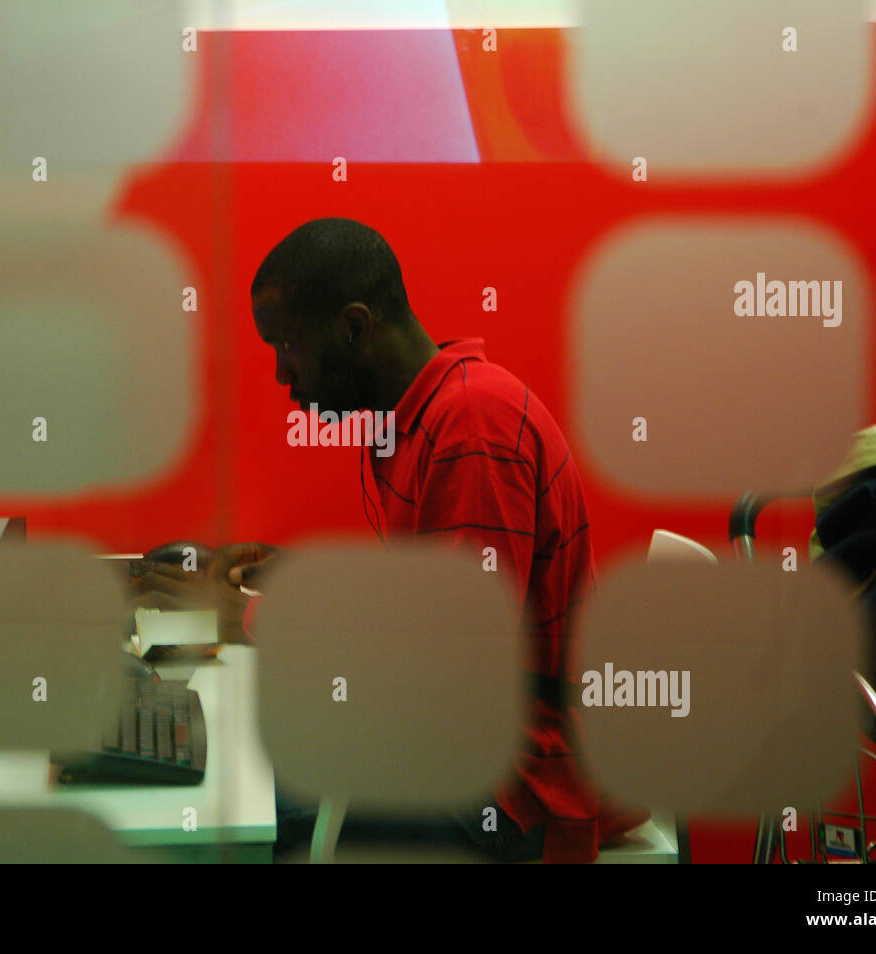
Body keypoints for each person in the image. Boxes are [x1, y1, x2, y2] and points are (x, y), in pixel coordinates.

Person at [136, 218, 646, 862]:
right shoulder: (415, 421)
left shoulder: (472, 429)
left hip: (520, 788)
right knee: (251, 773)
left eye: (287, 346)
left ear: (353, 328)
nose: (280, 375)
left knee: (244, 817)